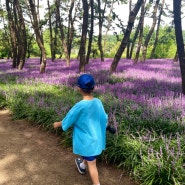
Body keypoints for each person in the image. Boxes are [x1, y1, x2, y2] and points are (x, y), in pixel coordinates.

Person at [53, 74, 108, 185]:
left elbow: (68, 119)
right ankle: (82, 165)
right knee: (90, 157)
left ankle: (96, 183)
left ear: (79, 89)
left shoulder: (80, 106)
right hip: (97, 140)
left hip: (87, 142)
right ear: (93, 88)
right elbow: (104, 118)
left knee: (92, 164)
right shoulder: (98, 102)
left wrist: (57, 124)